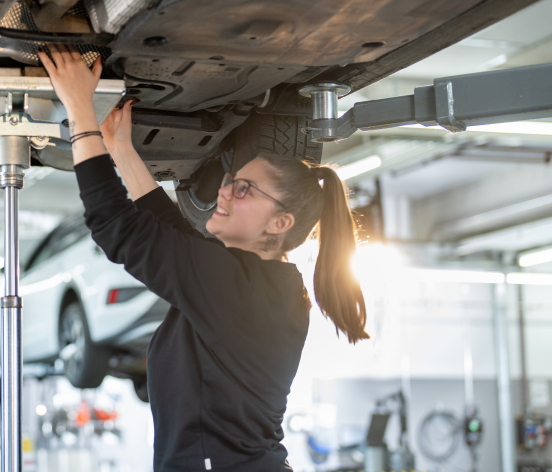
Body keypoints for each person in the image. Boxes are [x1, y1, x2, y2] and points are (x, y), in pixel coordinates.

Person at [38, 44, 369, 471]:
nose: (224, 191)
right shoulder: (257, 285)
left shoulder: (247, 289)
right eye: (233, 180)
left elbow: (120, 227)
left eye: (244, 189)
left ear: (280, 223)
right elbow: (164, 233)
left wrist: (80, 112)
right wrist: (119, 148)